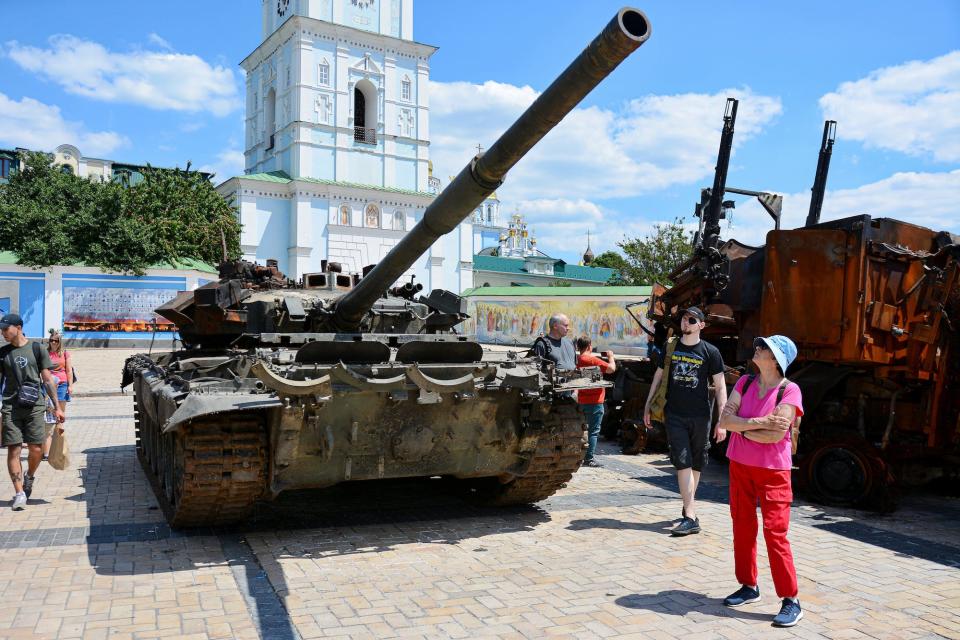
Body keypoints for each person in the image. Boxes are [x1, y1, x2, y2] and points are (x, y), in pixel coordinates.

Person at [718, 335, 804, 627]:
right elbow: (724, 421)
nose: (757, 348)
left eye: (764, 347)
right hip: (740, 465)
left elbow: (776, 435)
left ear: (776, 359)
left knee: (774, 534)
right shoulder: (744, 383)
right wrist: (757, 423)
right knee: (742, 527)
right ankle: (748, 585)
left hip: (773, 472)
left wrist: (740, 426)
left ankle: (791, 599)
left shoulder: (790, 391)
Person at [643, 307, 726, 536]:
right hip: (675, 415)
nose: (685, 323)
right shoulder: (671, 348)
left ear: (701, 325)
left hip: (701, 416)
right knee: (682, 461)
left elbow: (720, 386)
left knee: (696, 463)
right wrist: (648, 405)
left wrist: (723, 420)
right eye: (683, 319)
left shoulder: (711, 352)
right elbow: (658, 377)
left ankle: (688, 503)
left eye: (691, 320)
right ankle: (690, 515)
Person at [0, 313, 65, 511]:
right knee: (14, 448)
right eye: (1, 330)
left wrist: (56, 407)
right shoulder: (2, 353)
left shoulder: (36, 349)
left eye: (6, 329)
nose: (3, 333)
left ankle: (29, 477)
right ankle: (20, 493)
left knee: (36, 449)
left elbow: (47, 379)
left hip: (35, 405)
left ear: (18, 327)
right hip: (11, 407)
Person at [575, 336, 616, 468]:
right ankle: (589, 458)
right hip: (595, 401)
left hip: (581, 399)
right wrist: (611, 357)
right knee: (593, 431)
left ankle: (578, 455)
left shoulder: (577, 359)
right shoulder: (592, 359)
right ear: (589, 346)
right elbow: (611, 369)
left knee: (582, 430)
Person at [43, 329, 73, 462]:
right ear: (49, 341)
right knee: (49, 417)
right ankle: (48, 449)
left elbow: (68, 370)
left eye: (56, 340)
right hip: (49, 387)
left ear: (60, 342)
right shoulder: (45, 353)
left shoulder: (65, 353)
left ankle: (59, 446)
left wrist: (70, 386)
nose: (54, 342)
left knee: (60, 416)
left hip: (62, 385)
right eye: (51, 340)